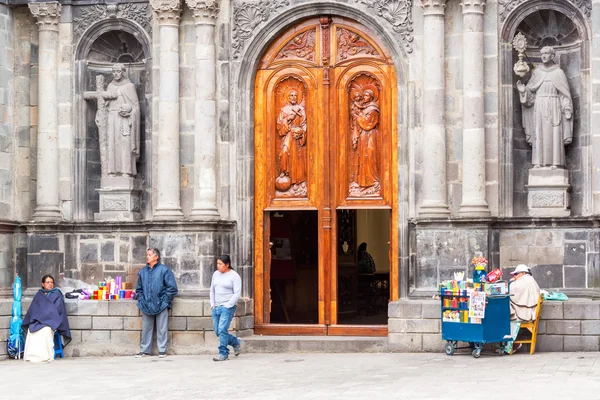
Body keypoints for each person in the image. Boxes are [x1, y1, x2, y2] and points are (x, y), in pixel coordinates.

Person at [517, 46, 573, 168]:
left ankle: (556, 163)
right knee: (539, 132)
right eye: (542, 53)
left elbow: (564, 94)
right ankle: (538, 162)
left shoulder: (559, 73)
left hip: (554, 105)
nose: (543, 55)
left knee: (554, 133)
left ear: (552, 56)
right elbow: (530, 93)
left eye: (546, 53)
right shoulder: (537, 73)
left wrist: (567, 108)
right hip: (540, 105)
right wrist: (523, 91)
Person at [135, 248, 178, 358]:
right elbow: (139, 289)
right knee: (146, 328)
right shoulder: (142, 272)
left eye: (149, 255)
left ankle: (162, 350)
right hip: (146, 304)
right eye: (147, 254)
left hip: (161, 304)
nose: (147, 257)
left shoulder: (165, 270)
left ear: (156, 257)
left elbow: (172, 288)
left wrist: (164, 301)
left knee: (162, 328)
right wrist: (141, 300)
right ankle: (145, 350)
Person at [22, 275, 71, 363]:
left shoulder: (57, 294)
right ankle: (32, 356)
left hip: (51, 321)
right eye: (48, 282)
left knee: (45, 330)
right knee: (31, 330)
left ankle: (45, 356)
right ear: (43, 284)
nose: (50, 284)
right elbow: (34, 309)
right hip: (39, 320)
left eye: (51, 282)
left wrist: (45, 317)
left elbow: (58, 310)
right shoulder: (39, 294)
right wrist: (38, 317)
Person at [106, 63, 141, 176]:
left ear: (123, 72)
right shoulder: (110, 87)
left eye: (118, 71)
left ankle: (126, 171)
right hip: (111, 119)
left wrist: (129, 110)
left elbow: (135, 106)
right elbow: (104, 105)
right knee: (111, 144)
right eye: (114, 71)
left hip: (124, 120)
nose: (116, 74)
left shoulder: (129, 86)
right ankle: (112, 171)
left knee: (125, 144)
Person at [210, 254, 242, 361]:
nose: (218, 266)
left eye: (220, 264)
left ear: (227, 264)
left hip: (227, 307)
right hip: (216, 307)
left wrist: (228, 305)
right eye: (217, 263)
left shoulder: (234, 276)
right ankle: (235, 342)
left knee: (222, 329)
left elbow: (237, 293)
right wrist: (212, 304)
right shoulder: (215, 274)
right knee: (217, 331)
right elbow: (212, 290)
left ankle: (223, 353)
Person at [504, 264, 541, 354]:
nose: (514, 276)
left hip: (525, 313)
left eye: (516, 274)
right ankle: (511, 344)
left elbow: (513, 291)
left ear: (523, 273)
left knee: (506, 314)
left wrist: (512, 283)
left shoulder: (525, 280)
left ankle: (510, 344)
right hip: (529, 311)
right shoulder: (529, 280)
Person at [276, 90, 307, 190]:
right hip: (289, 134)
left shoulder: (301, 110)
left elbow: (304, 124)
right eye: (291, 95)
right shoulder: (284, 110)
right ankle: (284, 172)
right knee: (285, 152)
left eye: (295, 95)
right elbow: (279, 126)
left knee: (299, 158)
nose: (293, 97)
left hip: (298, 136)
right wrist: (288, 119)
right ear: (288, 97)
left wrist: (302, 132)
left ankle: (299, 181)